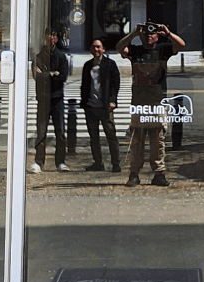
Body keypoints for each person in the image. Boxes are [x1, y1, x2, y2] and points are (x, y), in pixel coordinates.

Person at [119, 20, 185, 187]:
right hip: (139, 102)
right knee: (137, 141)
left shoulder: (163, 50)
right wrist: (133, 34)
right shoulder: (135, 50)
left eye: (152, 33)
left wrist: (168, 34)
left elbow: (181, 45)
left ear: (157, 36)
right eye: (145, 34)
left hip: (157, 102)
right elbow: (120, 48)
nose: (149, 36)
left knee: (158, 141)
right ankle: (134, 174)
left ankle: (159, 173)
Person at [31, 28, 72, 173]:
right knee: (41, 132)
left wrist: (46, 74)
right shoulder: (39, 56)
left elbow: (62, 77)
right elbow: (36, 76)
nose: (51, 38)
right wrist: (52, 74)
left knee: (60, 132)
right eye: (49, 34)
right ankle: (39, 162)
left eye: (54, 35)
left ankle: (60, 161)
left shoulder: (61, 57)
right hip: (43, 98)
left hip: (57, 98)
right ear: (44, 37)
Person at [78, 39, 123, 173]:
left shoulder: (110, 64)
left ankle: (116, 163)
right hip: (90, 106)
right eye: (94, 47)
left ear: (103, 49)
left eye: (98, 47)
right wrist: (84, 102)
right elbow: (84, 85)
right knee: (94, 137)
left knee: (111, 136)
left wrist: (113, 100)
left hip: (105, 107)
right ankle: (98, 163)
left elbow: (115, 83)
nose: (96, 50)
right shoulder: (87, 65)